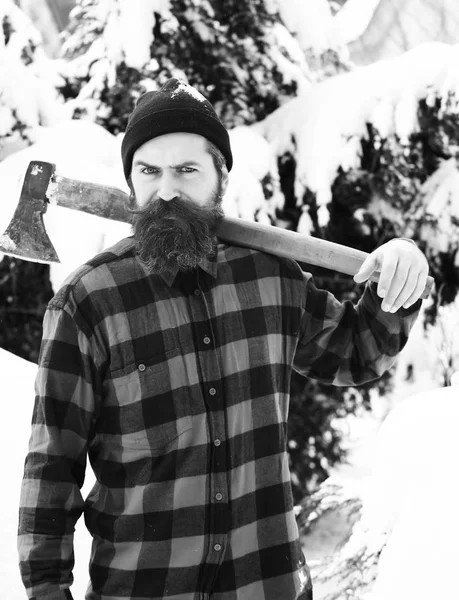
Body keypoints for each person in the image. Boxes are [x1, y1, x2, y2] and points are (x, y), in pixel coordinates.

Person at [18, 78, 429, 600]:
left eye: (187, 170)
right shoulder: (88, 302)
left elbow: (359, 350)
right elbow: (51, 468)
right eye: (149, 171)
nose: (166, 190)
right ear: (131, 183)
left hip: (268, 585)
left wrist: (400, 275)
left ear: (220, 177)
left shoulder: (273, 277)